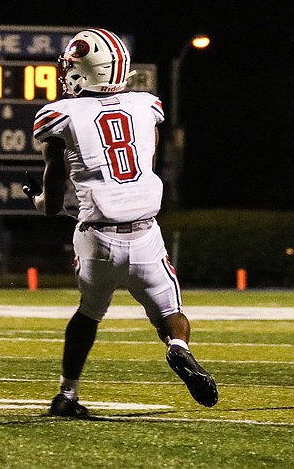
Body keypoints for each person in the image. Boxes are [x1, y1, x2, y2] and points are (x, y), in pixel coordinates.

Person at [26, 27, 218, 418]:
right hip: (146, 231)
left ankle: (67, 394)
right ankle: (178, 350)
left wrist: (35, 197)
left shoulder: (60, 116)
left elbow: (50, 204)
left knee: (88, 314)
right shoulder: (145, 105)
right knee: (170, 315)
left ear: (85, 70)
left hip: (96, 237)